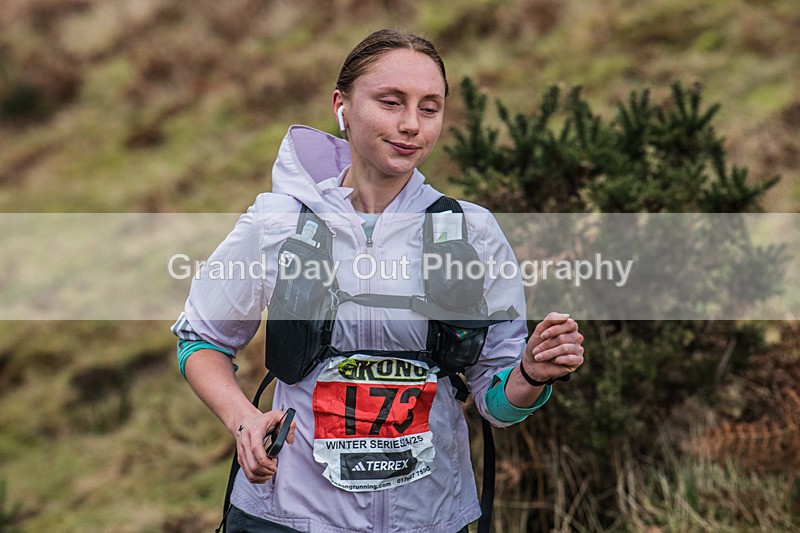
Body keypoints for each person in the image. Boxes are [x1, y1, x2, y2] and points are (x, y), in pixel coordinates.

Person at [171, 29, 584, 533]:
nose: (411, 125)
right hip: (287, 514)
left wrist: (532, 373)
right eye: (391, 102)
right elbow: (201, 340)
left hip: (428, 518)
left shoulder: (470, 233)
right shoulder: (276, 223)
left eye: (429, 108)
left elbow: (497, 403)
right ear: (341, 105)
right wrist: (245, 420)